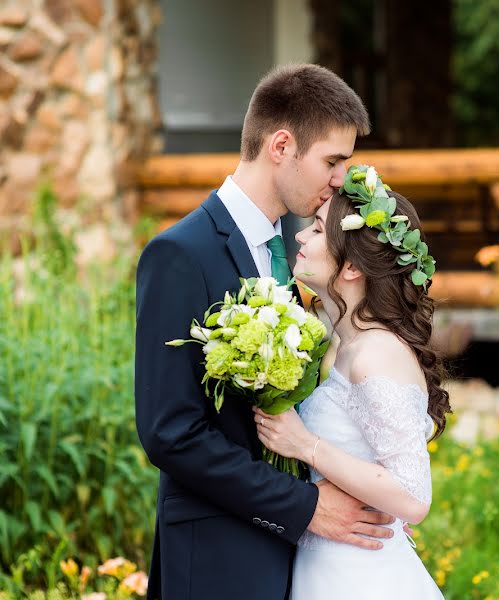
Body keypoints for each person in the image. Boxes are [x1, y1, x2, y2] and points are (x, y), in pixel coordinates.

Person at [134, 64, 396, 600]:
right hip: (217, 559)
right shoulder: (181, 254)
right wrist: (304, 506)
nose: (339, 180)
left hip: (296, 561)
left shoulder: (296, 257)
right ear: (281, 145)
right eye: (332, 161)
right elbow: (170, 432)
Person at [253, 168, 451, 599]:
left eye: (318, 230)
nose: (301, 239)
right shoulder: (344, 345)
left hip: (364, 577)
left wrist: (305, 445)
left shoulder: (376, 353)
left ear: (354, 267)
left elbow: (414, 496)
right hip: (332, 565)